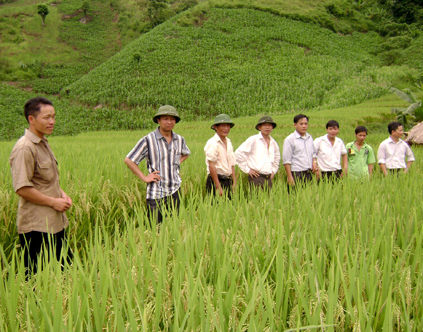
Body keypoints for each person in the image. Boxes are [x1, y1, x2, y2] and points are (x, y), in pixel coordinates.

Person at [9, 97, 73, 276]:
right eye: (46, 117)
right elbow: (22, 188)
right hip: (36, 226)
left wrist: (62, 195)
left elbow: (47, 180)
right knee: (36, 279)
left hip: (54, 222)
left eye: (53, 116)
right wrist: (53, 202)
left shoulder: (43, 143)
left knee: (66, 272)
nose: (52, 121)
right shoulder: (24, 148)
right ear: (32, 119)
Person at [124, 105, 190, 224]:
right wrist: (145, 177)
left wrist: (175, 163)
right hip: (156, 194)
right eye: (165, 119)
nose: (169, 122)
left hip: (175, 191)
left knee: (174, 227)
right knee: (156, 231)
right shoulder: (148, 140)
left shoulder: (180, 140)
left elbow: (186, 153)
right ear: (158, 120)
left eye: (172, 119)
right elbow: (129, 160)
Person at [235, 116, 280, 189]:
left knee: (268, 199)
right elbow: (238, 153)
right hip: (256, 177)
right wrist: (247, 170)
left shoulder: (273, 143)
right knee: (256, 199)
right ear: (259, 127)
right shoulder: (253, 140)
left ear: (272, 127)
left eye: (269, 125)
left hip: (268, 178)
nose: (267, 127)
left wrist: (273, 171)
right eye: (265, 125)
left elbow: (277, 158)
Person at [204, 114, 236, 198]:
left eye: (228, 126)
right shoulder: (212, 143)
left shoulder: (228, 142)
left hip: (228, 180)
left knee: (229, 207)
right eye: (223, 126)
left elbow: (232, 163)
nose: (226, 128)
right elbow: (211, 166)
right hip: (216, 180)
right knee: (216, 208)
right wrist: (218, 186)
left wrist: (234, 182)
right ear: (215, 127)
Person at [282, 114, 318, 188]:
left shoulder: (309, 137)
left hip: (309, 173)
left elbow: (313, 153)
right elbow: (286, 161)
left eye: (306, 124)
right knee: (296, 197)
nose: (304, 126)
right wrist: (289, 177)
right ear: (295, 125)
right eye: (301, 124)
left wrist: (314, 163)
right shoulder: (290, 139)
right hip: (296, 174)